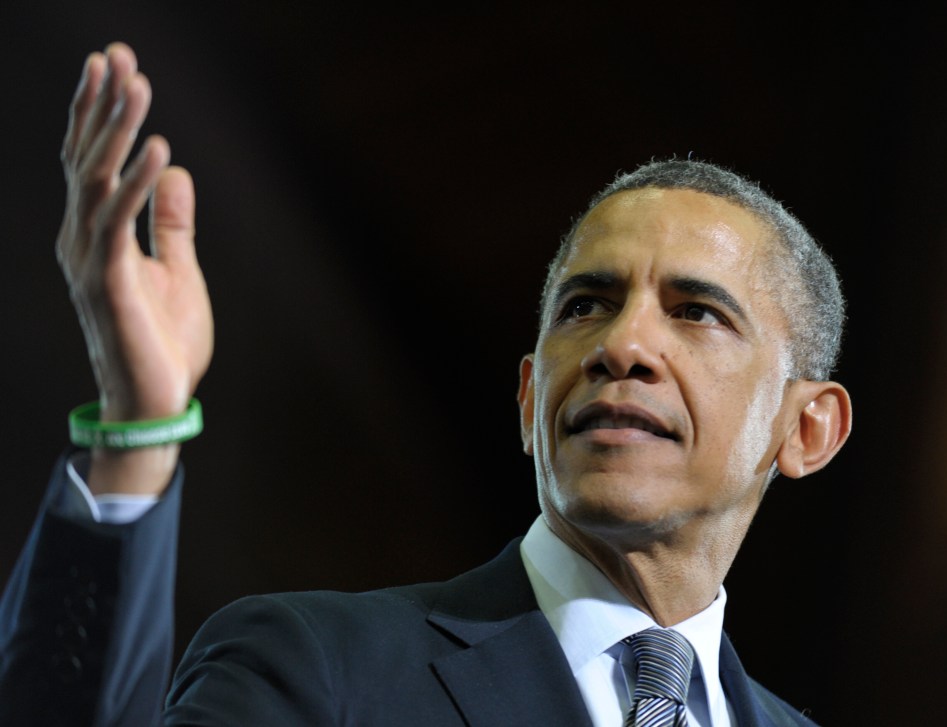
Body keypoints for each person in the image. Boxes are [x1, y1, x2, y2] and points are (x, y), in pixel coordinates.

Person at [0, 43, 851, 726]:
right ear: (528, 399)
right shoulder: (317, 666)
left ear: (806, 429)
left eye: (696, 312)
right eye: (585, 305)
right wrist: (138, 427)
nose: (622, 343)